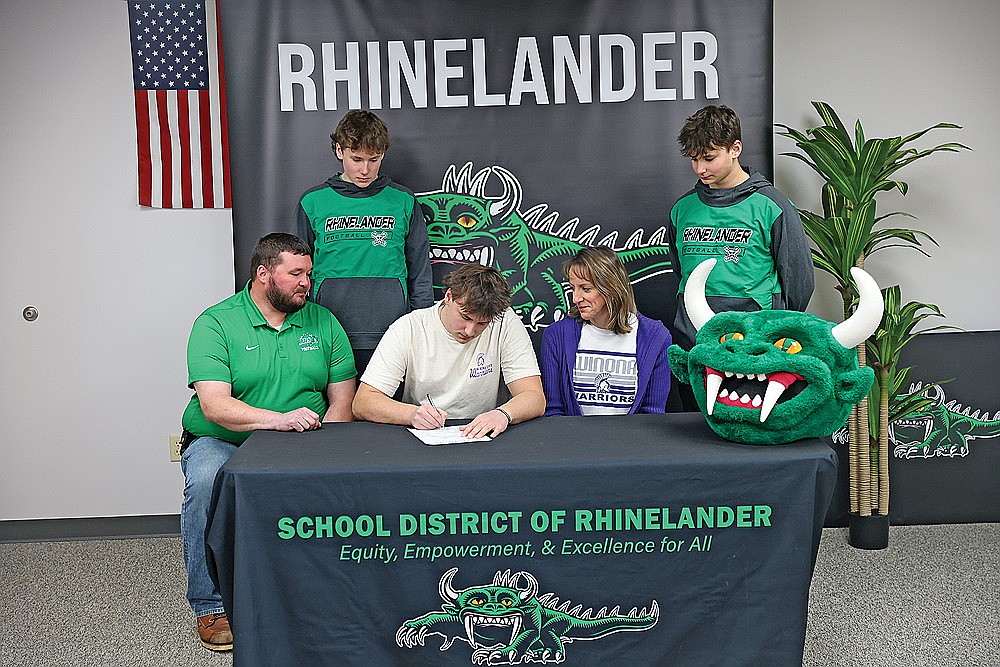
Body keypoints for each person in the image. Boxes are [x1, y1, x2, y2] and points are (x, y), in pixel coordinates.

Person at [179, 233, 356, 651]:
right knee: (204, 483)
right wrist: (280, 421)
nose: (306, 283)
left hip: (305, 440)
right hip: (225, 440)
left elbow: (342, 400)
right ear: (263, 274)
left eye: (309, 274)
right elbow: (215, 406)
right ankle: (210, 605)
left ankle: (321, 595)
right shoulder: (216, 323)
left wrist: (321, 444)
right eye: (296, 274)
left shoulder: (323, 321)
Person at [296, 109, 433, 376]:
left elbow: (420, 270)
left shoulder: (403, 200)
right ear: (339, 151)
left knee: (386, 403)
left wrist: (422, 326)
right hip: (328, 328)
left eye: (374, 159)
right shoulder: (313, 202)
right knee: (336, 403)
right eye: (356, 159)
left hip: (392, 330)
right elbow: (296, 271)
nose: (365, 170)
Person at [667, 104, 814, 352]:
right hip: (694, 342)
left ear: (735, 149)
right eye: (694, 159)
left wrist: (774, 330)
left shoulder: (772, 206)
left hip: (755, 346)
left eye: (709, 158)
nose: (700, 168)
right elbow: (680, 271)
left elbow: (798, 282)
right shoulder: (682, 209)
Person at [353, 264, 545, 438]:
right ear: (449, 297)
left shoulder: (505, 321)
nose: (470, 331)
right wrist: (411, 414)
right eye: (465, 317)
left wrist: (503, 414)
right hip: (424, 437)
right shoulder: (408, 328)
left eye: (482, 323)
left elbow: (534, 396)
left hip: (486, 436)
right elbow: (363, 402)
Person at [540, 246, 673, 416]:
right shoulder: (556, 336)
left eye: (585, 288)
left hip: (633, 434)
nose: (575, 298)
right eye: (573, 287)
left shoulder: (656, 338)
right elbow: (553, 412)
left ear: (611, 288)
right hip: (571, 434)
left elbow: (652, 414)